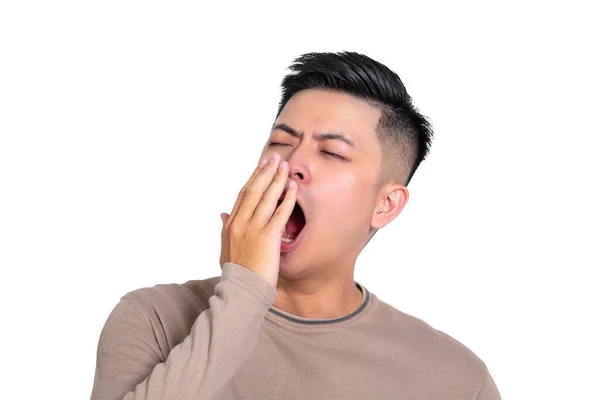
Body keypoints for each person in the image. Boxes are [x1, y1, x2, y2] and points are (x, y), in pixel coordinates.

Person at [90, 51, 501, 400]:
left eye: (333, 153)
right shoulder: (153, 319)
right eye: (281, 143)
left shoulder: (456, 380)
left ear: (386, 205)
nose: (292, 165)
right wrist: (244, 292)